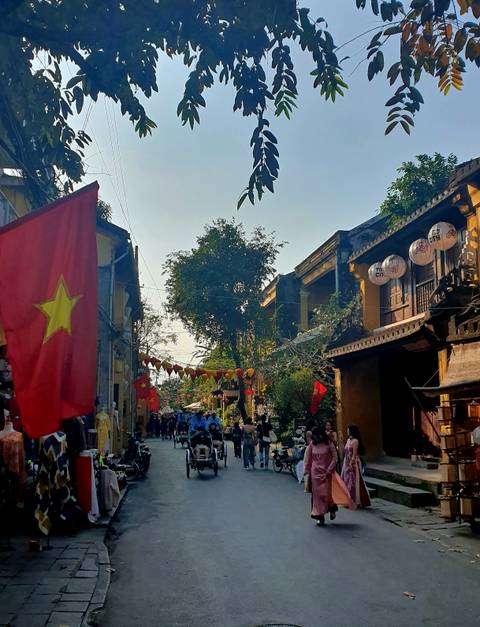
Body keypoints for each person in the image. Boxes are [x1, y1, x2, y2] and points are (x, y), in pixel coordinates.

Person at [303, 426, 338, 526]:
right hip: (315, 474)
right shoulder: (312, 445)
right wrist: (306, 470)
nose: (316, 438)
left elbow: (335, 458)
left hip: (327, 473)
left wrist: (330, 469)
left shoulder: (329, 444)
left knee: (327, 494)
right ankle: (319, 516)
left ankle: (332, 509)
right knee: (317, 495)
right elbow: (307, 458)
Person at [341, 424, 371, 508]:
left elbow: (354, 454)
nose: (347, 431)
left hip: (353, 463)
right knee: (346, 481)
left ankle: (355, 500)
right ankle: (347, 499)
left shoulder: (355, 441)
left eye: (348, 430)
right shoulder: (348, 440)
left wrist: (351, 464)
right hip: (346, 462)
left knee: (354, 482)